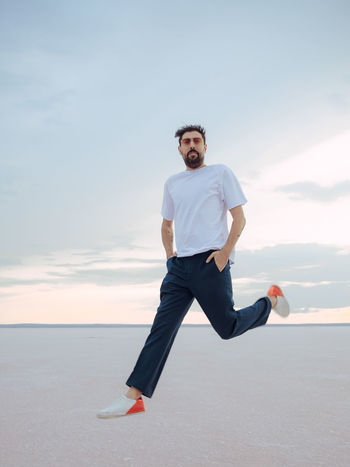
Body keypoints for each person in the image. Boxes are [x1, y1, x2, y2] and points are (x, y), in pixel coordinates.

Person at [97, 124, 290, 419]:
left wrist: (225, 253)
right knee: (160, 330)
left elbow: (239, 218)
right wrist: (169, 259)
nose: (192, 145)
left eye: (197, 141)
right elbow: (166, 224)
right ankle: (132, 397)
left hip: (210, 262)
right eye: (186, 141)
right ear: (179, 149)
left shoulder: (220, 173)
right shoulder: (172, 183)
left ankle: (271, 301)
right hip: (179, 268)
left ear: (205, 146)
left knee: (227, 328)